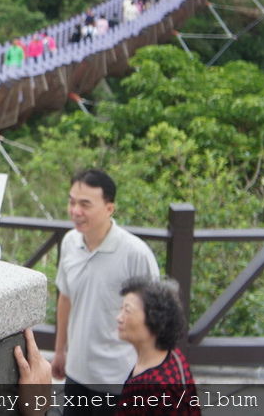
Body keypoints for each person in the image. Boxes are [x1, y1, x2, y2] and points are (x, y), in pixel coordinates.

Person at [52, 169, 159, 416]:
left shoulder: (135, 253)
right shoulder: (70, 242)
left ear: (109, 208)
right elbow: (65, 298)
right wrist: (59, 352)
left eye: (85, 204)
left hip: (118, 377)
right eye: (72, 201)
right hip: (76, 372)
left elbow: (156, 317)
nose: (75, 211)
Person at [115, 277, 201, 416]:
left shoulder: (155, 389)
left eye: (127, 311)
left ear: (154, 319)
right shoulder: (173, 356)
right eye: (121, 309)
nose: (119, 317)